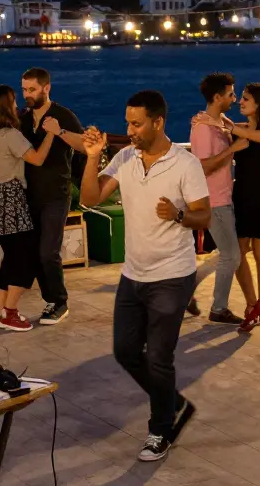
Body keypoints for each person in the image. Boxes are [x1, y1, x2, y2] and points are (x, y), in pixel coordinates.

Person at [79, 90, 210, 462]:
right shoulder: (124, 158)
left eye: (136, 124)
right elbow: (90, 199)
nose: (130, 130)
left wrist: (180, 215)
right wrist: (91, 159)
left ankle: (160, 430)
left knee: (158, 358)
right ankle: (174, 405)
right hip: (133, 274)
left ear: (158, 122)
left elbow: (205, 216)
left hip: (172, 275)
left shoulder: (185, 164)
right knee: (124, 350)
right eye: (127, 123)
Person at [0, 68, 86, 326]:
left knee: (47, 252)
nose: (27, 95)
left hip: (55, 195)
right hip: (24, 198)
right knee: (26, 254)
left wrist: (58, 132)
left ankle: (58, 301)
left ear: (46, 88)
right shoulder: (20, 119)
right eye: (23, 90)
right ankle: (12, 309)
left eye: (32, 90)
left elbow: (82, 146)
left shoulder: (62, 115)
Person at [199, 83, 260, 333]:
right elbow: (230, 128)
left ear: (259, 103)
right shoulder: (242, 130)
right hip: (240, 196)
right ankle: (251, 302)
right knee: (238, 253)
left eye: (246, 99)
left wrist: (221, 122)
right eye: (240, 98)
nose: (240, 102)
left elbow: (238, 130)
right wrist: (207, 118)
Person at [189, 72, 248, 325]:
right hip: (214, 200)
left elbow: (244, 130)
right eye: (230, 94)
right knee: (232, 256)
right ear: (216, 97)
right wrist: (233, 149)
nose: (234, 99)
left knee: (226, 252)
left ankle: (187, 290)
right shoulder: (203, 130)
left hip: (224, 195)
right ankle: (219, 308)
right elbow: (202, 167)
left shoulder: (219, 122)